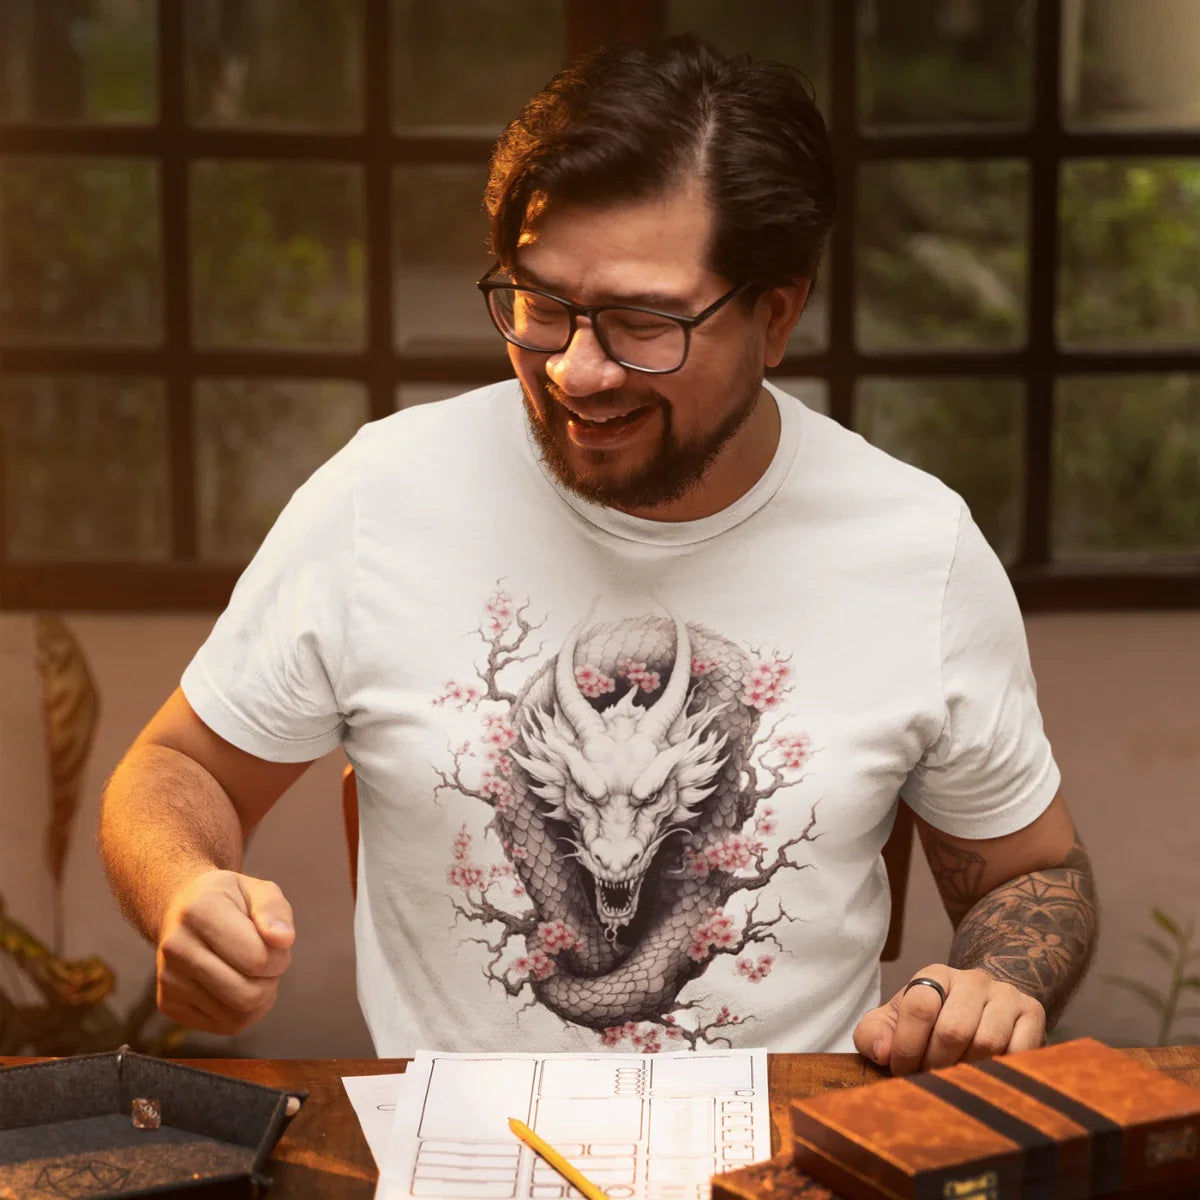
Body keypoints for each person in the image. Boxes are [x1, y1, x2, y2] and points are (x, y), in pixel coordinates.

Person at [99, 35, 1096, 1073]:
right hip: (457, 1163)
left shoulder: (915, 548)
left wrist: (996, 980)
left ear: (777, 315)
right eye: (542, 305)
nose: (577, 370)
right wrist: (186, 888)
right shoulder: (380, 495)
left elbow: (1037, 874)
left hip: (780, 1166)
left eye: (641, 322)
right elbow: (178, 768)